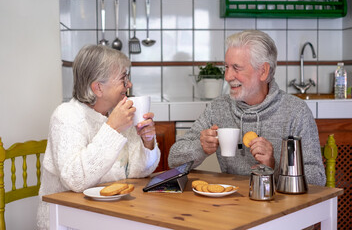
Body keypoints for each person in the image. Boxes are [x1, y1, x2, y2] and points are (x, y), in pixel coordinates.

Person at [168, 30, 326, 186]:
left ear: (263, 71)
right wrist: (201, 147)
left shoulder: (296, 111)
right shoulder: (218, 108)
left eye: (236, 68)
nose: (228, 77)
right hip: (233, 205)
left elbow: (317, 179)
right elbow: (173, 159)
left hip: (283, 206)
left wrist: (273, 166)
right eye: (227, 67)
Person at [37, 45, 160, 229]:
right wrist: (113, 128)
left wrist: (147, 141)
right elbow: (76, 180)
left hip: (110, 214)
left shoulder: (115, 114)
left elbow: (138, 172)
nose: (129, 84)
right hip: (67, 221)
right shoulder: (66, 116)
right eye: (123, 78)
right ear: (98, 88)